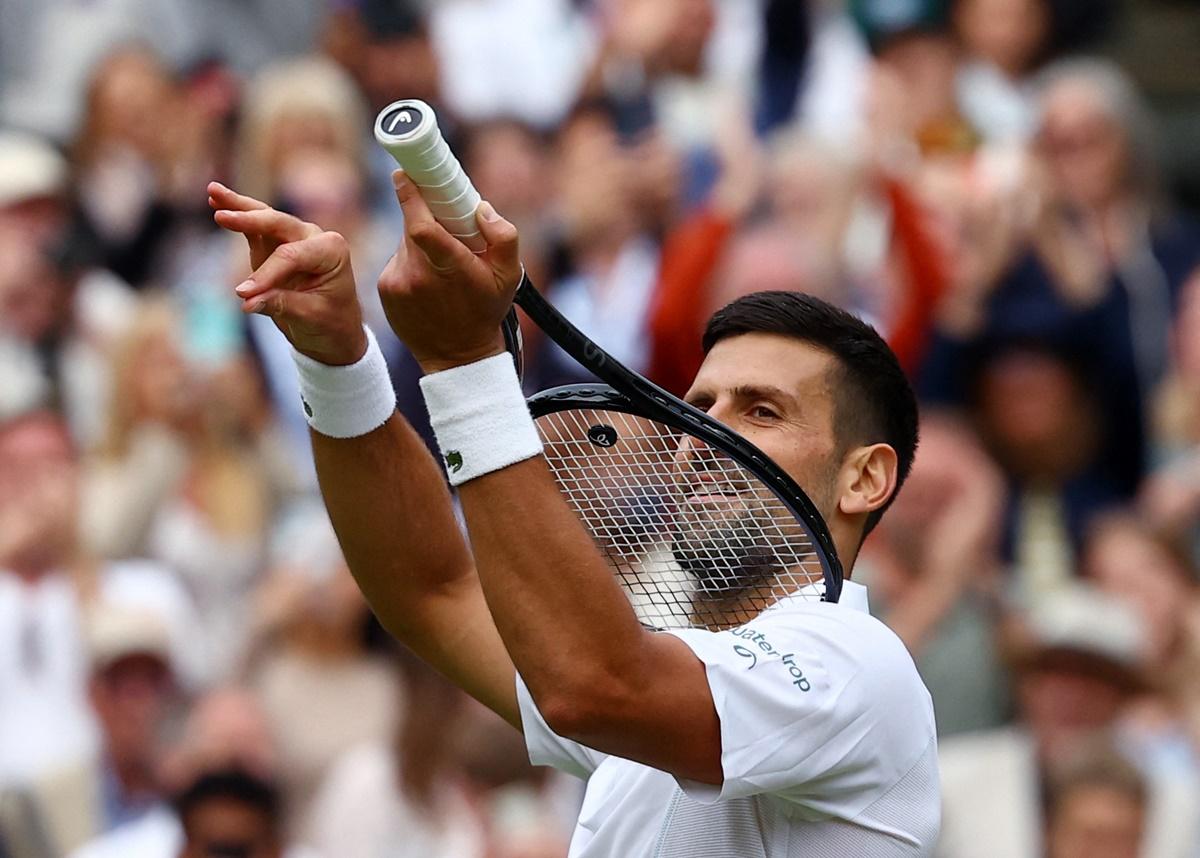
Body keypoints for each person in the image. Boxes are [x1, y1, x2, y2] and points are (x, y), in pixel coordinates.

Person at [206, 162, 938, 854]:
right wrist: (336, 361)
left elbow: (599, 686)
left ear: (865, 479)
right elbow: (431, 590)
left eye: (762, 412)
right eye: (700, 408)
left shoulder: (854, 662)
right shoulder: (660, 684)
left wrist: (467, 364)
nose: (709, 434)